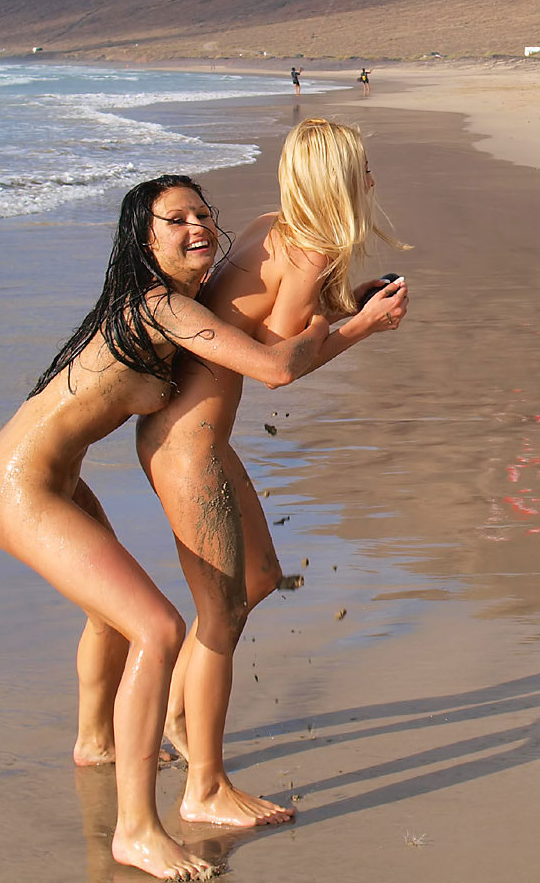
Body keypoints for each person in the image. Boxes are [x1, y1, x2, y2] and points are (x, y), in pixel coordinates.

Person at [0, 176, 330, 881]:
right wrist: (345, 326)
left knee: (112, 616)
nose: (197, 226)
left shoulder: (174, 305)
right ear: (144, 240)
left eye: (202, 213)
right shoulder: (159, 308)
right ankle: (136, 831)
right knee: (158, 629)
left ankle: (95, 742)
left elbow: (255, 337)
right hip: (20, 487)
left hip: (54, 478)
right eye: (175, 219)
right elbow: (272, 366)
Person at [137, 118, 409, 827]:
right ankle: (203, 788)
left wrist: (348, 306)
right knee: (222, 612)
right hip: (188, 449)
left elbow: (268, 326)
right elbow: (280, 367)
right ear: (336, 182)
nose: (371, 178)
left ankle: (177, 713)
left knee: (257, 579)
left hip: (195, 439)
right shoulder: (310, 251)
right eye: (361, 168)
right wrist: (362, 327)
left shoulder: (276, 227)